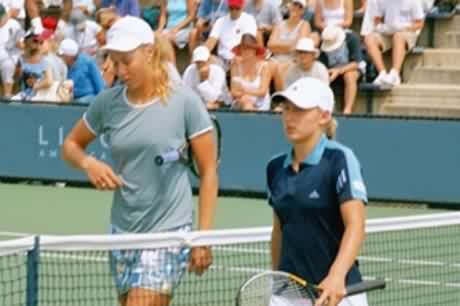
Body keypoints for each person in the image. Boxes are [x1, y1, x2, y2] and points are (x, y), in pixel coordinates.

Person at [61, 16, 217, 306]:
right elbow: (70, 145)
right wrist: (89, 164)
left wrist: (202, 237)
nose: (120, 70)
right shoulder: (107, 103)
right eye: (114, 61)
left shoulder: (185, 102)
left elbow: (208, 172)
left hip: (168, 231)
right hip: (121, 232)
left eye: (126, 61)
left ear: (149, 51)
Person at [267, 77, 368, 306]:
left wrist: (336, 276)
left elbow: (356, 225)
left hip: (338, 291)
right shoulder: (274, 167)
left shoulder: (339, 159)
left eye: (300, 110)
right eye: (286, 109)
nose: (289, 117)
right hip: (288, 295)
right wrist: (277, 278)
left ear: (324, 116)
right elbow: (279, 231)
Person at [364, 0, 425, 87]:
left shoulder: (413, 1)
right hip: (388, 32)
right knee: (369, 38)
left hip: (408, 32)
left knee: (398, 36)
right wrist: (383, 28)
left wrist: (405, 28)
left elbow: (420, 23)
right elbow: (377, 19)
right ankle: (382, 74)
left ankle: (395, 74)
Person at [319, 25, 364, 114]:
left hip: (352, 69)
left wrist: (338, 71)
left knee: (349, 76)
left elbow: (356, 63)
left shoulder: (352, 38)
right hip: (332, 71)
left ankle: (347, 110)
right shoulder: (324, 41)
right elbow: (323, 65)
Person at [205, 0, 258, 71]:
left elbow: (248, 44)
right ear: (228, 7)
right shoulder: (220, 22)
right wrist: (202, 53)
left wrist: (235, 58)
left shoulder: (249, 20)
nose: (234, 11)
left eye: (237, 8)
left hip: (240, 59)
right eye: (231, 8)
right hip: (222, 61)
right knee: (204, 59)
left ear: (242, 6)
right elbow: (211, 42)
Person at [230, 29, 271, 111]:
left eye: (249, 48)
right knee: (246, 103)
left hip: (261, 104)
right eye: (243, 48)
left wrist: (244, 91)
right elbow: (233, 91)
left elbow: (263, 92)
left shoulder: (264, 66)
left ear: (255, 50)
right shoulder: (235, 65)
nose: (245, 51)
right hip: (241, 101)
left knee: (247, 104)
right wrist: (245, 97)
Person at [58, 38, 105, 103]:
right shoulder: (64, 66)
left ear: (69, 56)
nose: (61, 57)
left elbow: (99, 85)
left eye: (63, 55)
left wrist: (102, 103)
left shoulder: (87, 62)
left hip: (88, 99)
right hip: (71, 99)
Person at [183, 45, 230, 109]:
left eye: (203, 62)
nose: (200, 64)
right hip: (198, 103)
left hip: (221, 104)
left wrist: (203, 81)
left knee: (209, 105)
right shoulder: (190, 70)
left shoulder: (218, 71)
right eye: (198, 62)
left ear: (209, 60)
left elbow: (213, 98)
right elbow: (186, 92)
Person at [267, 0, 313, 65]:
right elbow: (270, 45)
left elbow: (299, 47)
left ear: (303, 11)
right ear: (290, 6)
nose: (296, 8)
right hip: (275, 60)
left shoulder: (305, 25)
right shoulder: (279, 24)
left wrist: (278, 44)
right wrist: (292, 44)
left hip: (293, 62)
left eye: (300, 7)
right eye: (294, 4)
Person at [0, 3, 23, 97]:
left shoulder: (13, 24)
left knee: (8, 64)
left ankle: (7, 95)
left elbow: (21, 45)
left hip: (10, 57)